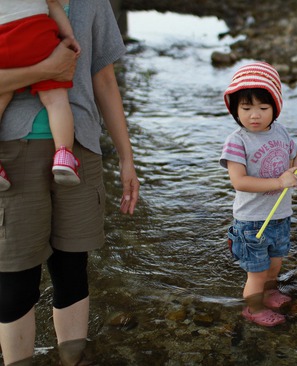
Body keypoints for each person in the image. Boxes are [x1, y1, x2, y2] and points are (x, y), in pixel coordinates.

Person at [0, 0, 140, 365]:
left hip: (80, 148)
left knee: (72, 269)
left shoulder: (92, 2)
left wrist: (126, 158)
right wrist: (45, 69)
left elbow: (104, 78)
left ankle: (73, 360)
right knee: (16, 281)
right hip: (12, 153)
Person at [220, 62, 297, 327]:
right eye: (246, 108)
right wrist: (279, 182)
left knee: (275, 265)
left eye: (263, 108)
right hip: (251, 221)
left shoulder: (280, 132)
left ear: (275, 108)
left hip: (280, 217)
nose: (254, 115)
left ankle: (269, 293)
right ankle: (253, 309)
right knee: (256, 274)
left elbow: (296, 165)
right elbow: (239, 181)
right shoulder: (238, 140)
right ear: (235, 108)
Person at [0, 0, 82, 189]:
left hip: (3, 39)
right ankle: (63, 155)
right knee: (56, 100)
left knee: (1, 97)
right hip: (36, 35)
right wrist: (68, 35)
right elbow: (53, 3)